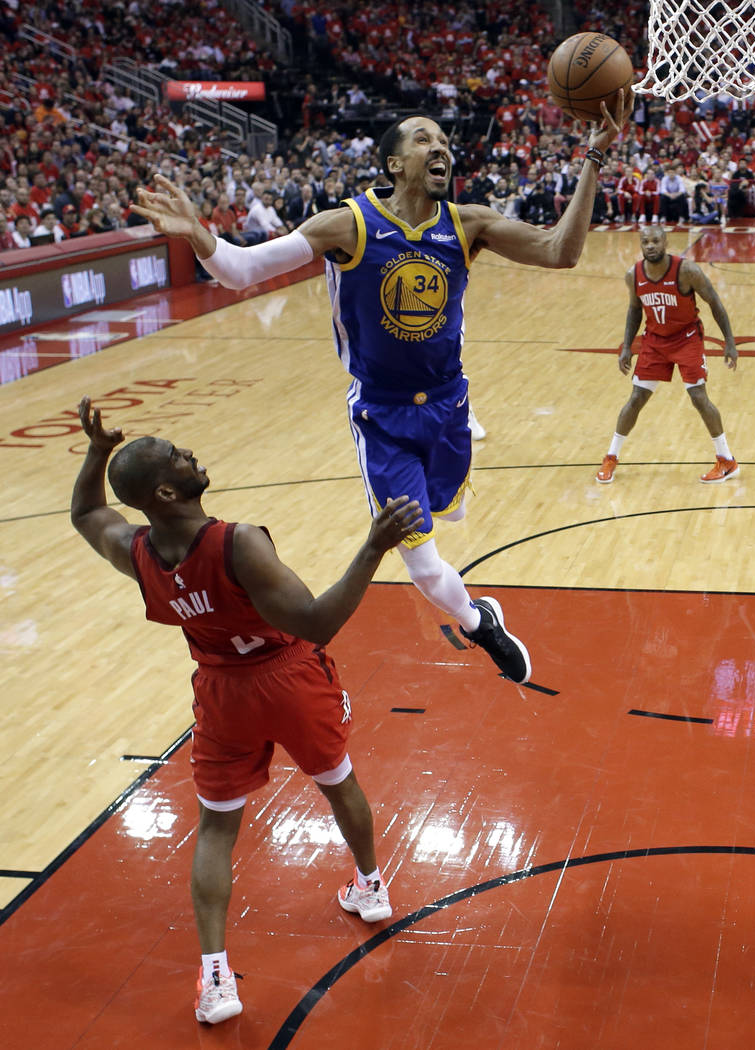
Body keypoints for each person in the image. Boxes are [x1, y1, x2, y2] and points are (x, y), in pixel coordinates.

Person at [133, 100, 631, 684]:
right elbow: (241, 271)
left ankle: (466, 591)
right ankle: (478, 623)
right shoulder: (346, 225)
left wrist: (593, 158)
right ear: (394, 163)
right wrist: (199, 234)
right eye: (425, 139)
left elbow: (561, 251)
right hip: (382, 417)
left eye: (445, 138)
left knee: (452, 512)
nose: (441, 146)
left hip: (449, 407)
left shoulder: (468, 223)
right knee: (420, 562)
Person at [71, 396, 424, 1025]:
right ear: (166, 490)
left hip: (222, 692)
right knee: (338, 782)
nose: (191, 456)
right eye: (178, 457)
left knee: (215, 828)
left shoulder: (139, 552)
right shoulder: (238, 543)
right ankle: (371, 888)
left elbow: (86, 514)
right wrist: (374, 548)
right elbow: (319, 623)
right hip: (288, 677)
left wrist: (98, 453)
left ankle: (215, 981)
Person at [596, 224, 739, 485]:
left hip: (686, 339)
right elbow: (634, 310)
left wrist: (729, 341)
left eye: (655, 241)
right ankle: (611, 456)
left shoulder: (687, 270)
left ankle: (726, 459)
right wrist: (627, 346)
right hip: (654, 341)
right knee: (636, 398)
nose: (650, 246)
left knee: (698, 397)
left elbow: (714, 301)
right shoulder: (634, 275)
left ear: (665, 243)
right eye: (645, 242)